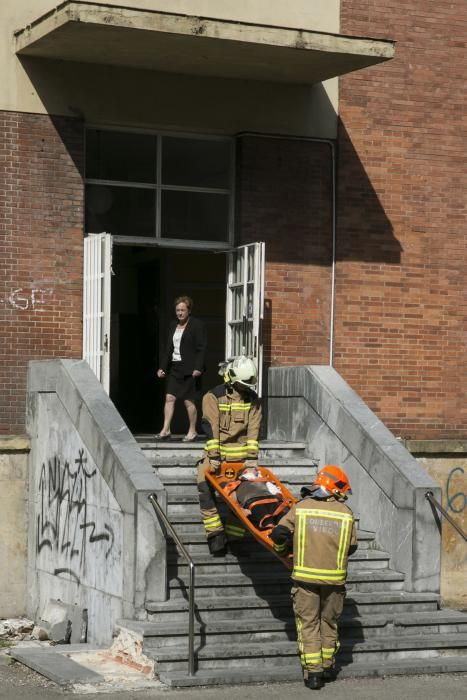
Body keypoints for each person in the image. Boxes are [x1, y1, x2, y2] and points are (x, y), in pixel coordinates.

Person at [271, 465, 358, 690]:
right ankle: (328, 666)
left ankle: (314, 674)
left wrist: (282, 550)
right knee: (329, 622)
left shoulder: (301, 508)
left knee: (308, 625)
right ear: (334, 488)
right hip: (335, 582)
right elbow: (352, 548)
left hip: (305, 580)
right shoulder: (346, 513)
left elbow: (279, 533)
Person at [197, 355, 262, 555]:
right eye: (242, 385)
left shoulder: (253, 400)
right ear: (232, 380)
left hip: (242, 461)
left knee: (243, 497)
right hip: (217, 457)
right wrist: (214, 457)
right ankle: (215, 535)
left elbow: (253, 431)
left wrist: (251, 459)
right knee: (204, 490)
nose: (246, 390)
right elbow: (211, 428)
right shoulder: (213, 397)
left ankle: (236, 538)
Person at [156, 296, 207, 442]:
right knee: (169, 398)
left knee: (188, 401)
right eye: (177, 310)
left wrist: (198, 367)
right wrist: (162, 367)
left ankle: (192, 431)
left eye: (183, 310)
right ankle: (165, 429)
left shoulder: (197, 325)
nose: (180, 313)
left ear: (189, 311)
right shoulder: (173, 325)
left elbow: (201, 348)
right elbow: (168, 349)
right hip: (175, 368)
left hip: (191, 370)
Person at [226, 466, 290, 530]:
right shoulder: (237, 484)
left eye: (256, 471)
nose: (256, 471)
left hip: (262, 502)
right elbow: (277, 492)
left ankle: (278, 529)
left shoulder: (263, 481)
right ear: (245, 472)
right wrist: (241, 509)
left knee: (274, 519)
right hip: (256, 502)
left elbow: (232, 498)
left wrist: (240, 509)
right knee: (274, 520)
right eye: (254, 470)